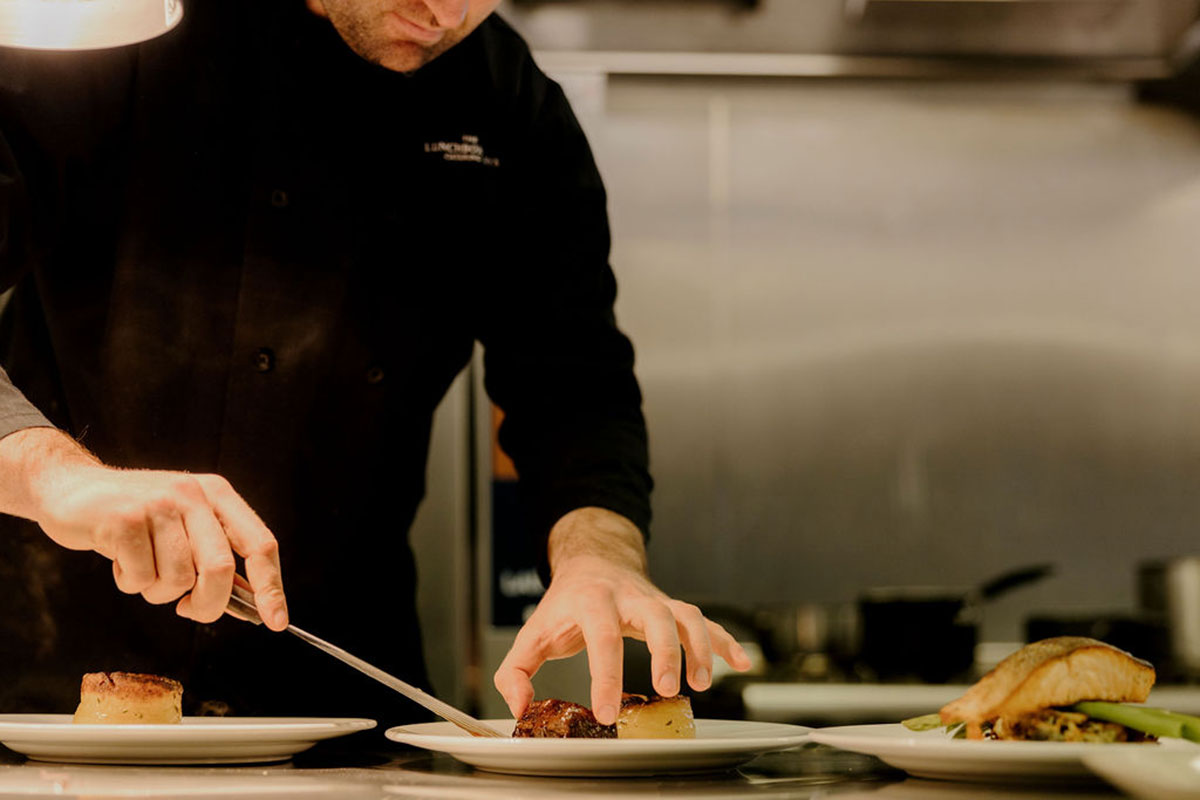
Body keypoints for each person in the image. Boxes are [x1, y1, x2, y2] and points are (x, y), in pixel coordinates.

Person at [0, 0, 749, 726]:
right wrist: (62, 482)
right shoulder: (102, 29)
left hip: (341, 708)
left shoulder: (509, 103)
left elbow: (577, 395)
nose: (448, 12)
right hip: (40, 686)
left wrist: (601, 556)